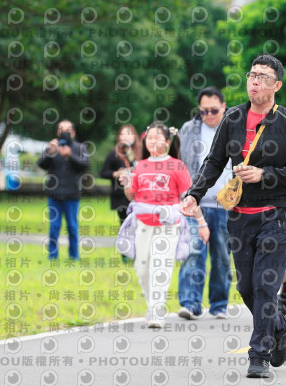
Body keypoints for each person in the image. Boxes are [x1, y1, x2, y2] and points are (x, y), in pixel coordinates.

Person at [180, 54, 286, 378]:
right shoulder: (233, 118)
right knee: (246, 287)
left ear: (277, 85)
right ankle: (280, 326)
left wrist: (266, 174)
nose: (255, 81)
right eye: (252, 74)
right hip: (240, 213)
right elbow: (214, 161)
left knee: (266, 285)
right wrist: (194, 193)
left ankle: (259, 356)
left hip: (277, 212)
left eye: (263, 77)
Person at [119, 121, 200, 329]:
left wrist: (200, 222)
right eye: (150, 137)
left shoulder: (177, 165)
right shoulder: (140, 166)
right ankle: (151, 306)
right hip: (143, 223)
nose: (153, 141)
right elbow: (132, 196)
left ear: (167, 141)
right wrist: (127, 184)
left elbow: (188, 197)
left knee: (160, 265)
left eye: (158, 137)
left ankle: (157, 311)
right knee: (142, 268)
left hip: (168, 224)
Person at [177, 86, 233, 320]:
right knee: (193, 252)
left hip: (224, 205)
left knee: (222, 256)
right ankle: (190, 303)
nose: (208, 115)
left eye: (213, 110)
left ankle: (219, 305)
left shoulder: (234, 128)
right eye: (203, 111)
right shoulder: (188, 130)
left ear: (223, 107)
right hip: (194, 203)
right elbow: (180, 163)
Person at [37, 120, 90, 260]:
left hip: (72, 195)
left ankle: (74, 255)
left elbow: (85, 164)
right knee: (54, 226)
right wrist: (50, 152)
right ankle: (52, 255)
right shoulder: (52, 147)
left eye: (67, 130)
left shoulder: (79, 148)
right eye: (61, 129)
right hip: (54, 195)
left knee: (72, 227)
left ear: (73, 132)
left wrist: (70, 155)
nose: (64, 133)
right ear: (57, 132)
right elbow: (41, 164)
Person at [100, 125, 143, 225]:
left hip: (139, 194)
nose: (125, 137)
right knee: (125, 225)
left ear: (134, 136)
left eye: (128, 134)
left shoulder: (141, 152)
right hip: (121, 196)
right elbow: (103, 172)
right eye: (122, 134)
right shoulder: (114, 153)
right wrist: (115, 174)